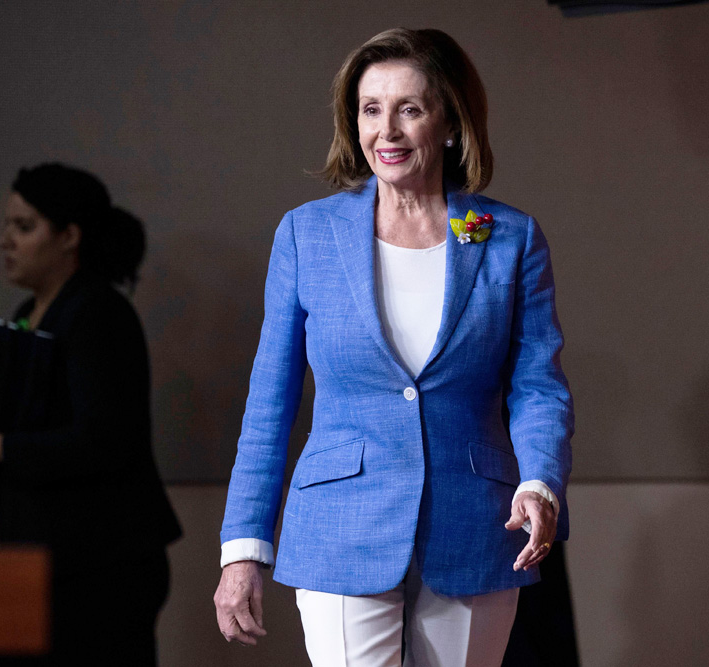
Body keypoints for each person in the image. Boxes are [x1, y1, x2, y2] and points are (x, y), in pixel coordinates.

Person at [214, 28, 573, 667]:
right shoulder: (307, 235)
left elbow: (538, 384)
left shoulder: (508, 236)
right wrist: (243, 548)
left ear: (451, 123)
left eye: (409, 108)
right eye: (371, 109)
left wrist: (540, 483)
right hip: (340, 523)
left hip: (477, 524)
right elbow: (269, 403)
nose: (388, 131)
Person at [0, 163, 182, 666]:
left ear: (69, 236)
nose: (4, 241)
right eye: (6, 225)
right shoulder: (26, 315)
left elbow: (102, 440)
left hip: (96, 566)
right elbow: (30, 424)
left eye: (24, 227)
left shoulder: (100, 315)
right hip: (35, 552)